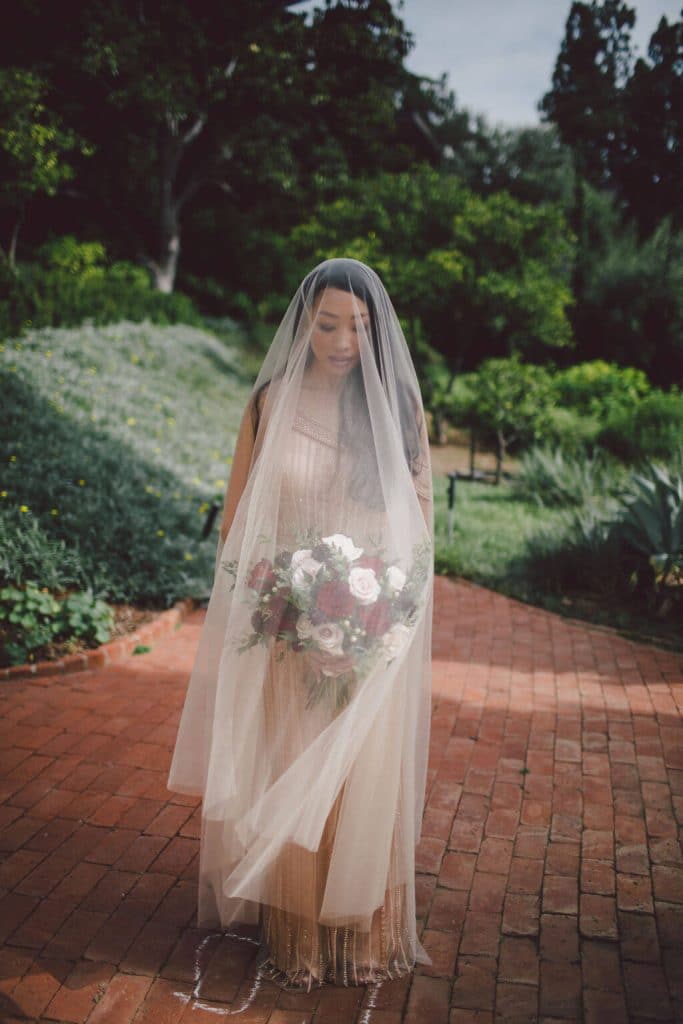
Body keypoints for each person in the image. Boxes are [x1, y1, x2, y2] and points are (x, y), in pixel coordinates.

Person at [167, 257, 434, 991]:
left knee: (353, 780)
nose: (342, 339)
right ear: (303, 324)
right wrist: (279, 611)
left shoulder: (399, 413)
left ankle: (359, 933)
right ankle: (297, 936)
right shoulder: (269, 402)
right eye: (326, 323)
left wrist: (374, 623)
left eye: (357, 325)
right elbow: (238, 522)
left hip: (365, 634)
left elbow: (417, 533)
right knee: (288, 770)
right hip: (286, 630)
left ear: (375, 331)